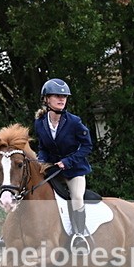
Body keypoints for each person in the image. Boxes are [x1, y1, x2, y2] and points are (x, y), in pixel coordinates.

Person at [33, 78, 94, 254]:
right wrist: (41, 160)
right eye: (57, 96)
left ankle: (79, 235)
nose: (61, 99)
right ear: (46, 99)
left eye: (64, 96)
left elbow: (87, 146)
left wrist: (68, 161)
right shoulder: (40, 122)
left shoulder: (74, 122)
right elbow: (43, 147)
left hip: (74, 170)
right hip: (52, 169)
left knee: (76, 197)